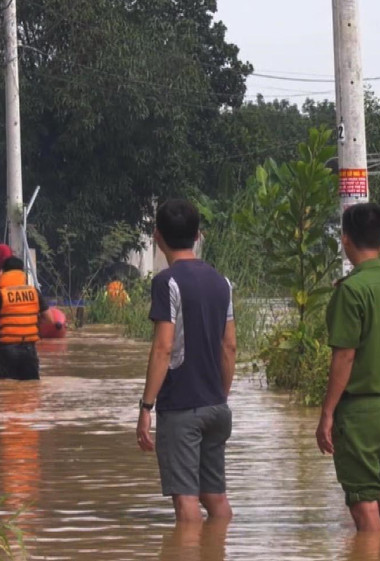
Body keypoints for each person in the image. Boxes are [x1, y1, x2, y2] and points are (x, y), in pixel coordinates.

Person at [136, 199, 235, 523]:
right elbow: (229, 347)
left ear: (156, 236)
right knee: (215, 497)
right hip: (216, 406)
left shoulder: (167, 282)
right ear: (198, 235)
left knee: (186, 502)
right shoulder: (222, 283)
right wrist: (220, 396)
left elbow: (163, 348)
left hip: (180, 407)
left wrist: (146, 407)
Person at [315, 203, 380, 532]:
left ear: (345, 239)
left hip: (360, 413)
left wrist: (327, 412)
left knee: (362, 501)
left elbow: (344, 356)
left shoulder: (352, 291)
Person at [0, 256, 53, 380]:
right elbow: (50, 319)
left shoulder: (1, 294)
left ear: (4, 272)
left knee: (6, 390)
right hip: (29, 350)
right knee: (30, 390)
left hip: (7, 350)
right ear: (22, 272)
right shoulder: (34, 292)